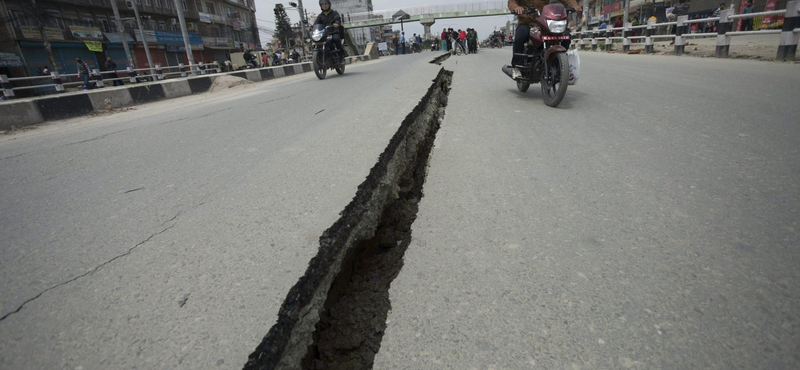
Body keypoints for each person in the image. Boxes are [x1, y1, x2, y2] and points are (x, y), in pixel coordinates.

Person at [509, 0, 580, 80]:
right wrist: (515, 7)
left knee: (566, 36)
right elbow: (512, 2)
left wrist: (574, 5)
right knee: (521, 35)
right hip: (527, 23)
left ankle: (559, 64)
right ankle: (516, 67)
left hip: (545, 23)